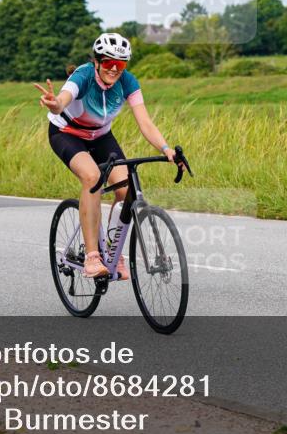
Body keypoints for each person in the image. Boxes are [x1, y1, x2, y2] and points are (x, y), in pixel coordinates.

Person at [35, 33, 180, 279]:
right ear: (97, 61)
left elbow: (145, 122)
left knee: (127, 192)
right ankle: (92, 257)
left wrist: (166, 150)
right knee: (92, 177)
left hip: (100, 137)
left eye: (120, 64)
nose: (114, 69)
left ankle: (113, 254)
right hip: (67, 133)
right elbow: (63, 100)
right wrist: (55, 104)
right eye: (109, 62)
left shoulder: (128, 82)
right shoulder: (83, 76)